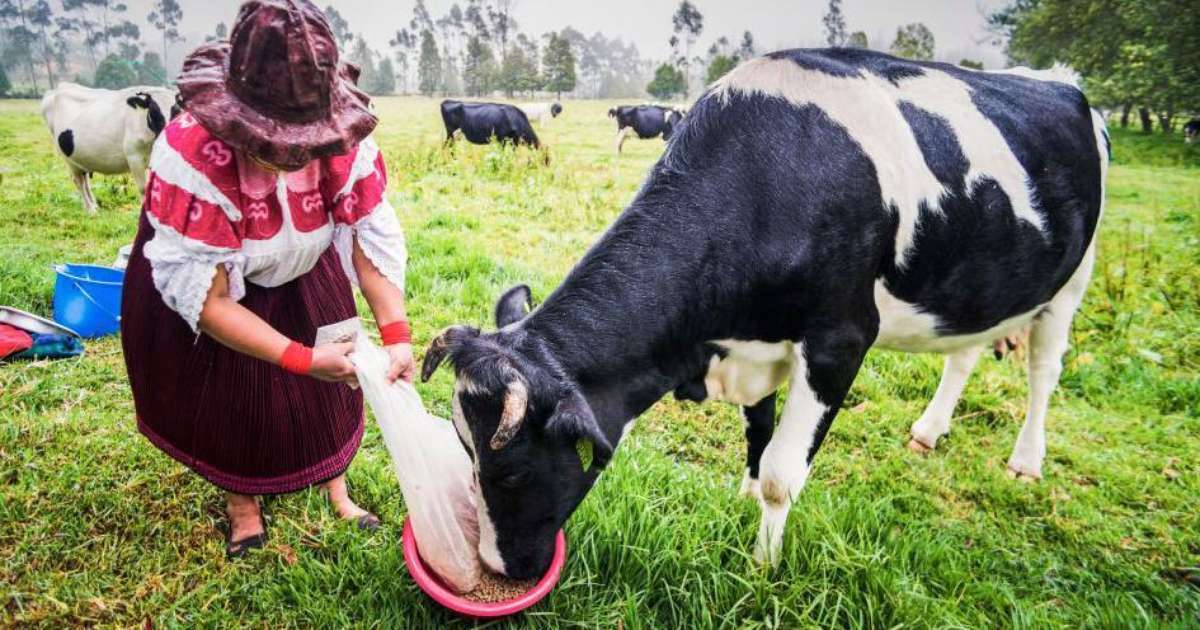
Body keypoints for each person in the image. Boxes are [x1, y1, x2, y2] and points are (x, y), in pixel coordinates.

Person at [120, 0, 414, 558]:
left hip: (307, 270)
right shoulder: (192, 156)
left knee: (330, 392)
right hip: (225, 288)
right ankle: (243, 505)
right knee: (232, 401)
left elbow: (368, 234)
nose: (294, 152)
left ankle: (336, 487)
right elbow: (208, 303)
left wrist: (395, 333)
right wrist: (297, 357)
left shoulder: (342, 145)